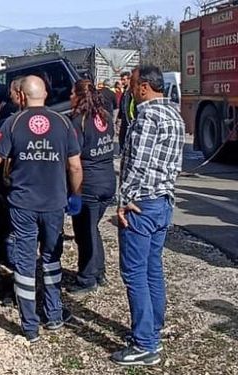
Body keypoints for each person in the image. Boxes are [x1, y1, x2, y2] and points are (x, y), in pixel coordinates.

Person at [0, 76, 83, 343]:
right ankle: (53, 315)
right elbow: (75, 166)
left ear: (21, 96)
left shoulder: (13, 123)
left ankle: (30, 327)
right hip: (55, 204)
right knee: (52, 259)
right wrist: (74, 195)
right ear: (44, 94)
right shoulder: (64, 123)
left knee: (25, 264)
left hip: (23, 206)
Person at [112, 65, 185, 366]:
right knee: (153, 267)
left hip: (141, 204)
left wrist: (124, 200)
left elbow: (137, 165)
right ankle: (152, 327)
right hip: (163, 202)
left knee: (134, 272)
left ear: (143, 87)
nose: (128, 88)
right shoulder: (173, 115)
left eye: (131, 83)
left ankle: (145, 344)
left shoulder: (147, 116)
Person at [66, 80, 116, 294]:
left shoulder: (78, 122)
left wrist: (75, 193)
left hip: (89, 184)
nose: (69, 97)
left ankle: (87, 278)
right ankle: (99, 271)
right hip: (108, 181)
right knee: (93, 228)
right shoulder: (105, 117)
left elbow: (74, 163)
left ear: (79, 96)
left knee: (84, 232)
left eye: (71, 93)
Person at [116, 71, 136, 151]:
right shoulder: (125, 91)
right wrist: (119, 115)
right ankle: (122, 151)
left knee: (128, 136)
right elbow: (122, 103)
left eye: (124, 79)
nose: (122, 82)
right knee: (122, 135)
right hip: (124, 116)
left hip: (130, 117)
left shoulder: (132, 91)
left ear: (129, 79)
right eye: (121, 79)